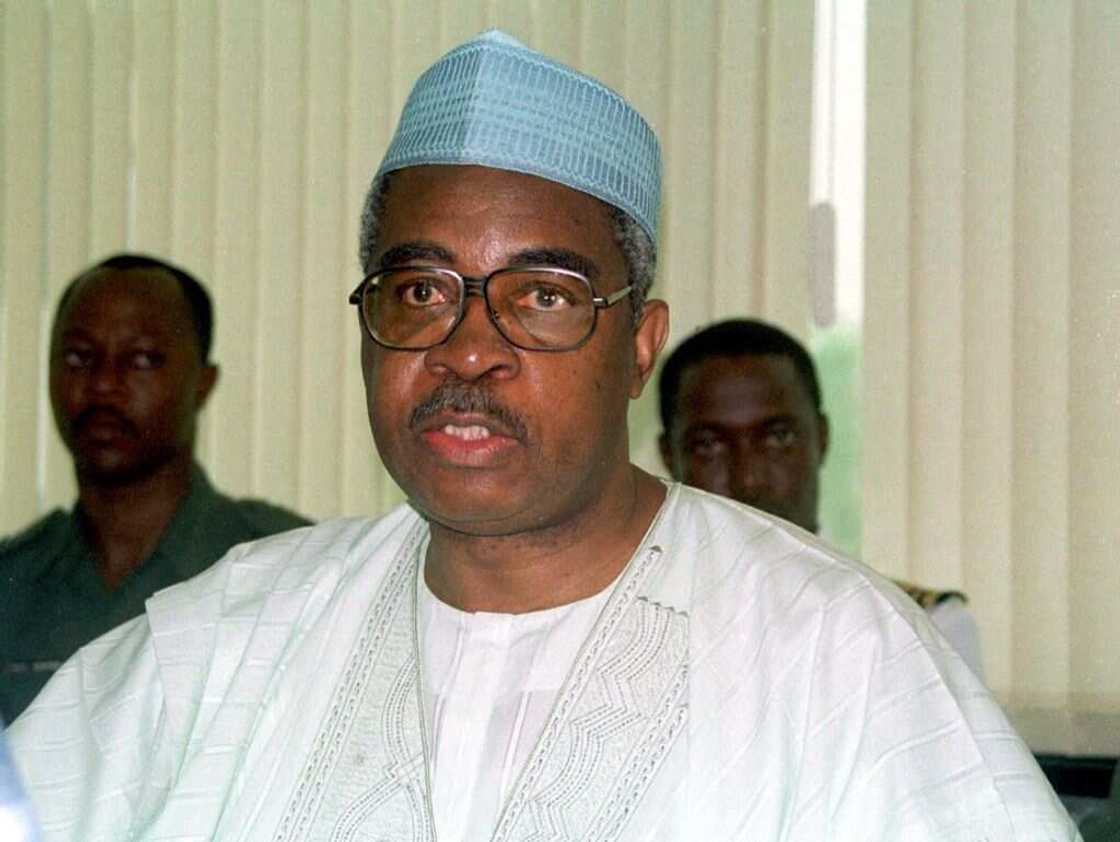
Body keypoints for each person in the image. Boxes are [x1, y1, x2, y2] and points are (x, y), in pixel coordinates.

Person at [8, 31, 1075, 841]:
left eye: (546, 295)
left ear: (640, 344)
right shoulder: (225, 637)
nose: (468, 348)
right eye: (420, 288)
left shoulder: (833, 651)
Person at [0, 254, 310, 722]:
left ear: (203, 383)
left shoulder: (287, 569)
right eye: (79, 357)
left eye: (141, 360)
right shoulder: (13, 587)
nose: (103, 384)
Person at [657, 318, 986, 679]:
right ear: (669, 457)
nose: (748, 479)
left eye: (778, 437)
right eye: (709, 445)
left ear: (823, 437)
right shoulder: (637, 633)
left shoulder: (918, 628)